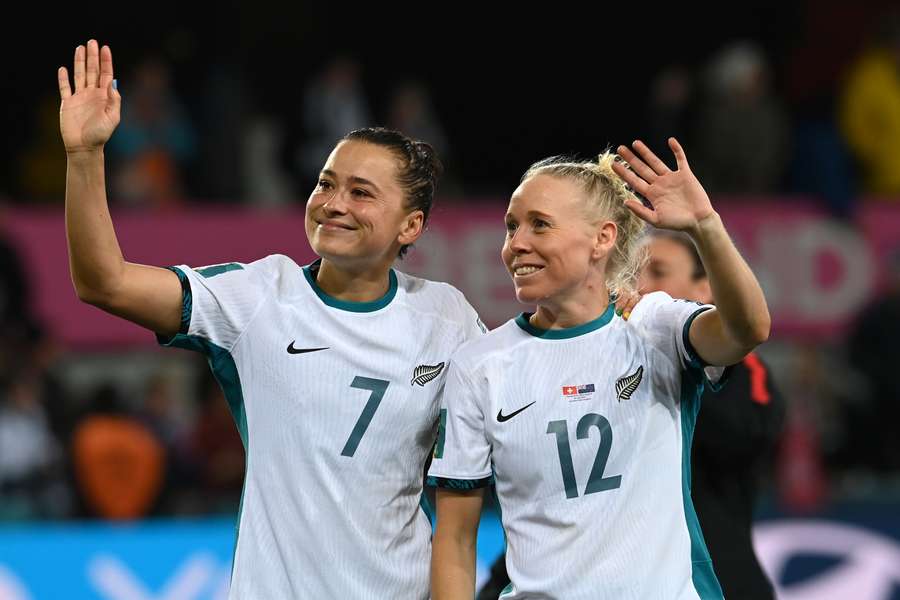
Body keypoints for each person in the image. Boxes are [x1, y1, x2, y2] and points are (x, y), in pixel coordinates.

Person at [59, 40, 484, 598]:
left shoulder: (447, 317)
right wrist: (85, 156)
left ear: (411, 226)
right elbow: (104, 282)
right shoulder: (258, 296)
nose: (333, 203)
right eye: (326, 183)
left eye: (361, 192)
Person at [428, 138, 770, 599]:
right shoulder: (480, 365)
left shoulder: (655, 328)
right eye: (511, 227)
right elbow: (454, 538)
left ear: (602, 238)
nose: (516, 245)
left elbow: (748, 328)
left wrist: (705, 225)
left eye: (539, 225)